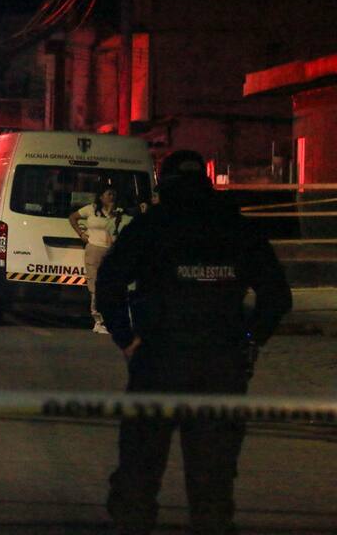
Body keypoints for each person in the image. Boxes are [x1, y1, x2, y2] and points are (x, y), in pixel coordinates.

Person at [96, 150, 292, 535]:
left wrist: (127, 338)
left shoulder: (151, 227)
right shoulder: (237, 228)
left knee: (140, 469)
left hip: (158, 361)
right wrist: (251, 340)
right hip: (221, 365)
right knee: (213, 479)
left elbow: (109, 283)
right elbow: (277, 297)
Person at [68, 184, 118, 334]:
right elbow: (73, 218)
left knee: (109, 285)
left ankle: (109, 318)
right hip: (94, 249)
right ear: (101, 196)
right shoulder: (91, 209)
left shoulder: (118, 212)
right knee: (95, 285)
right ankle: (98, 320)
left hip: (110, 250)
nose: (111, 197)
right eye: (108, 194)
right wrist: (81, 234)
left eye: (113, 194)